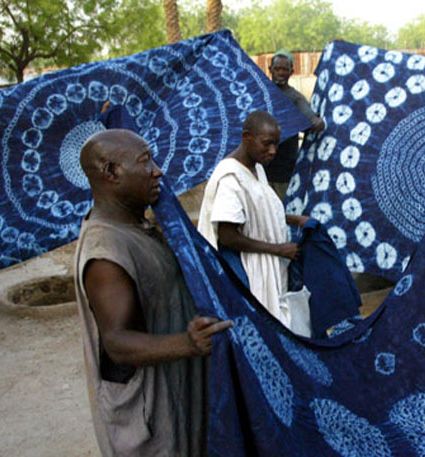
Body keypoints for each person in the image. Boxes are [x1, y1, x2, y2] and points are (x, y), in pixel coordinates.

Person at [73, 129, 233, 456]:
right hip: (150, 415)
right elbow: (116, 342)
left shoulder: (137, 225)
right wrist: (187, 343)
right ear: (111, 173)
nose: (157, 170)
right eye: (146, 162)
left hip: (175, 393)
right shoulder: (106, 250)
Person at [198, 111, 309, 330]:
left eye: (276, 145)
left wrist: (292, 219)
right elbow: (228, 236)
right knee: (265, 324)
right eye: (267, 144)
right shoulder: (230, 178)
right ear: (247, 137)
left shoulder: (256, 168)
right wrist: (277, 249)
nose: (273, 151)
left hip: (267, 260)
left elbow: (257, 211)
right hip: (252, 267)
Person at [265, 49, 325, 200]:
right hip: (259, 169)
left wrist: (315, 121)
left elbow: (312, 120)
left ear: (292, 71)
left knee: (281, 214)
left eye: (285, 69)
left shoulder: (296, 98)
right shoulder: (261, 93)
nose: (280, 73)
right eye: (277, 69)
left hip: (284, 171)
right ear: (270, 70)